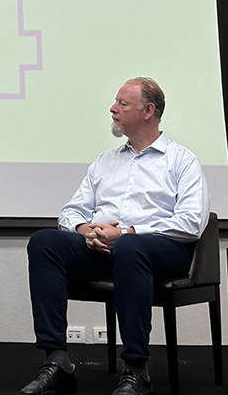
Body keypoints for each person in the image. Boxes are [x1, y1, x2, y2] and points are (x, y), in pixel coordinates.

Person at [20, 77, 210, 395]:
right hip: (107, 249)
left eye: (122, 103)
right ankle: (57, 361)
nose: (113, 108)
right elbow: (71, 211)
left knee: (130, 248)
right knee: (44, 242)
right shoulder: (106, 161)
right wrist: (86, 230)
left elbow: (191, 223)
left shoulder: (181, 161)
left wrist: (125, 233)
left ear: (148, 111)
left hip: (162, 251)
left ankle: (136, 370)